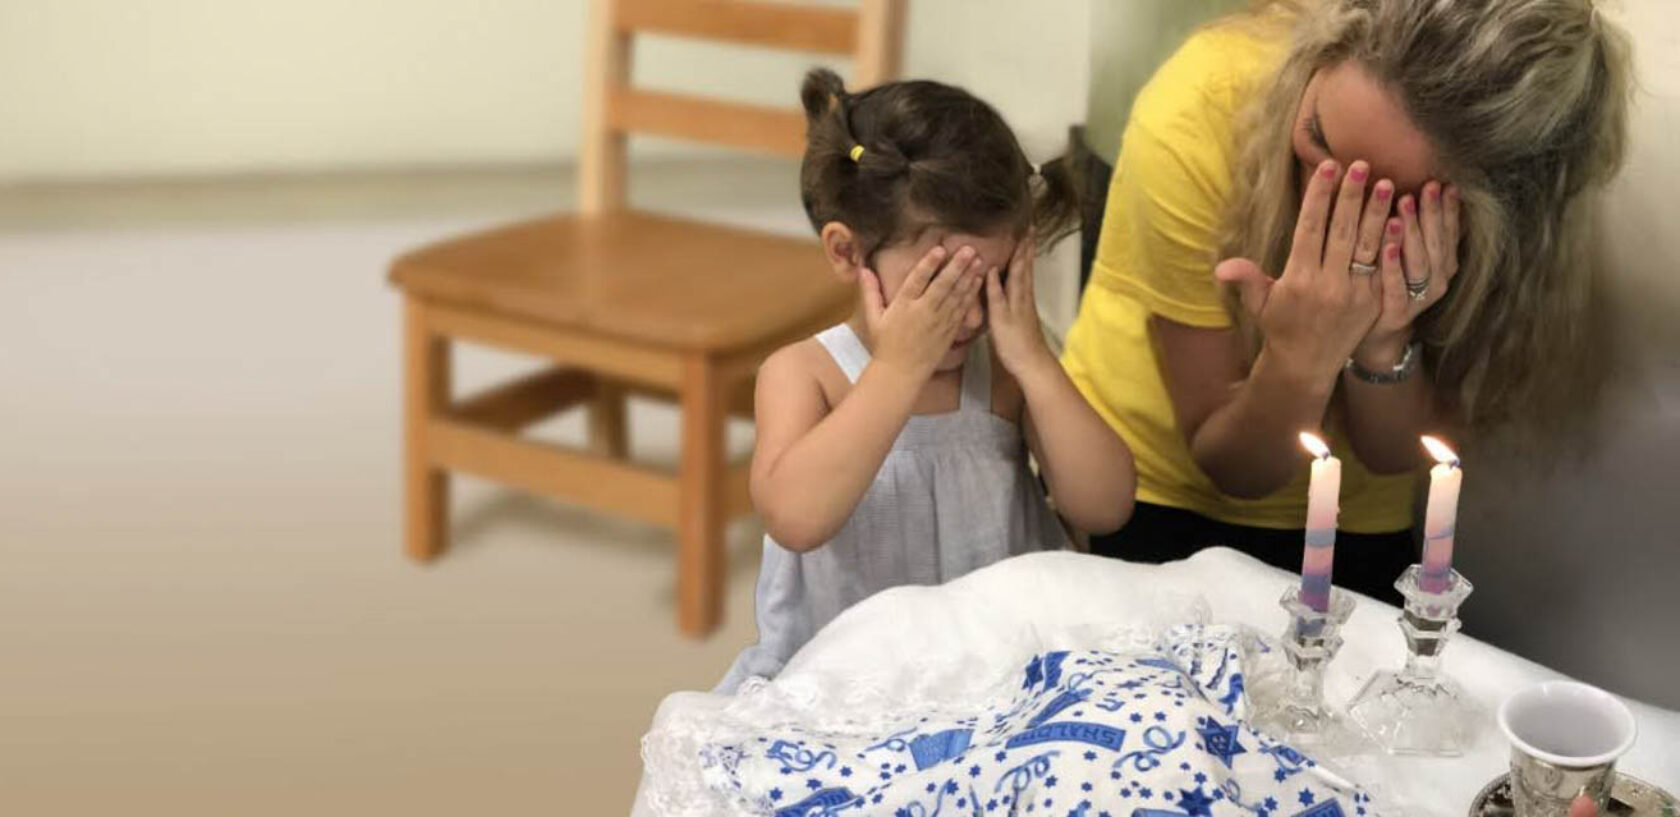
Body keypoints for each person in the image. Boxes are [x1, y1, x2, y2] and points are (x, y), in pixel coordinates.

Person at [1062, 0, 1630, 603]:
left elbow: (1394, 456)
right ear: (1318, 58)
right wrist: (1300, 359)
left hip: (1353, 519)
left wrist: (1382, 341)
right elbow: (1232, 468)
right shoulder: (1199, 106)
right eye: (1315, 138)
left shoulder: (1491, 218)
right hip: (1157, 485)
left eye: (1379, 196)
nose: (1321, 200)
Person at [717, 69, 1137, 692]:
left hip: (996, 680)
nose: (970, 316)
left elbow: (1105, 506)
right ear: (847, 253)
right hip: (847, 690)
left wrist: (1035, 362)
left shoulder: (1005, 373)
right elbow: (797, 518)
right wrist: (895, 371)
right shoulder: (808, 375)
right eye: (940, 288)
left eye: (991, 283)